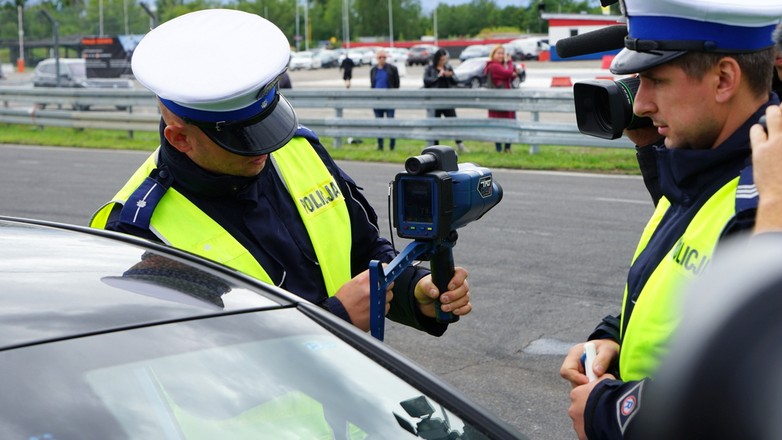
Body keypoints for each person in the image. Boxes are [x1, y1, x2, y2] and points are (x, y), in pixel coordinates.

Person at [90, 9, 473, 336]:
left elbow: (364, 253)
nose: (265, 149)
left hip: (353, 410)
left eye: (266, 128)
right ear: (181, 139)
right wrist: (333, 319)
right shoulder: (141, 229)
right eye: (242, 140)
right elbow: (192, 362)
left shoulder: (298, 150)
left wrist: (414, 289)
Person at [558, 1, 782, 438]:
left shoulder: (764, 199)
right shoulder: (697, 167)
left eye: (655, 80)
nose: (640, 102)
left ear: (724, 79)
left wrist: (613, 413)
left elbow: (750, 392)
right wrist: (613, 337)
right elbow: (674, 294)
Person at [423, 49, 466, 152]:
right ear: (437, 59)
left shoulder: (448, 67)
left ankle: (460, 144)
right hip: (435, 101)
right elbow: (426, 81)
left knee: (453, 122)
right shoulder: (430, 68)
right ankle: (435, 147)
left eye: (445, 59)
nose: (443, 62)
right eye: (441, 60)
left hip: (447, 100)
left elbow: (456, 80)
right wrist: (438, 76)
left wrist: (450, 75)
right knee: (435, 124)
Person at [484, 44, 520, 153]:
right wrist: (509, 63)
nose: (501, 55)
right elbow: (508, 73)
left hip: (504, 98)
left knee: (508, 123)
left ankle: (506, 148)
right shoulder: (494, 66)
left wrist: (511, 70)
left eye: (502, 53)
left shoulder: (499, 65)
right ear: (493, 54)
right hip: (499, 100)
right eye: (498, 53)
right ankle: (500, 149)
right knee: (499, 124)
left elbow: (511, 74)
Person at [369, 49, 400, 151]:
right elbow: (372, 85)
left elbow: (396, 85)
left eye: (384, 57)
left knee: (391, 124)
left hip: (389, 101)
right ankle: (380, 145)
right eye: (380, 57)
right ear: (376, 58)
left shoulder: (392, 69)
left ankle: (392, 146)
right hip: (377, 101)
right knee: (379, 125)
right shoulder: (373, 70)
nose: (382, 59)